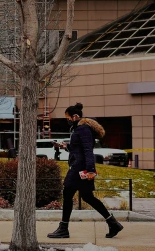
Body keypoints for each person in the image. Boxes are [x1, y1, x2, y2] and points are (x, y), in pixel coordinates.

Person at [47, 103, 123, 240]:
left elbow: (88, 151)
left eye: (68, 117)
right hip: (80, 166)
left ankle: (63, 228)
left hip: (79, 168)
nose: (67, 120)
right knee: (87, 197)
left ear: (75, 116)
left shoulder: (83, 129)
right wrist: (65, 146)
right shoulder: (79, 129)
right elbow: (78, 149)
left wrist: (91, 170)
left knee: (67, 193)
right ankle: (113, 223)